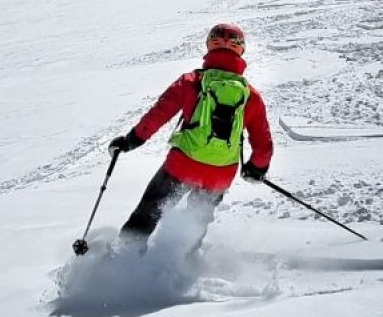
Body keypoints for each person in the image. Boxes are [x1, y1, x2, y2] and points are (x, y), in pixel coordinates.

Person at [108, 22, 274, 251]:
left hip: (183, 164)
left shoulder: (191, 81)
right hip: (221, 173)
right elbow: (264, 145)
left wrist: (131, 141)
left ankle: (124, 257)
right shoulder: (251, 96)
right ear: (241, 50)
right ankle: (182, 261)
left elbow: (158, 114)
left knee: (150, 210)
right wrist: (256, 169)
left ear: (210, 46)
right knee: (196, 221)